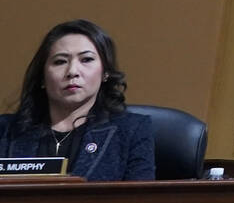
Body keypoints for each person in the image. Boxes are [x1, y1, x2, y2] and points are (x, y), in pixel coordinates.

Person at [0, 20, 153, 180]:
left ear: (105, 72)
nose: (72, 71)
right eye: (60, 61)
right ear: (42, 78)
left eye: (86, 60)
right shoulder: (5, 130)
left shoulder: (132, 130)